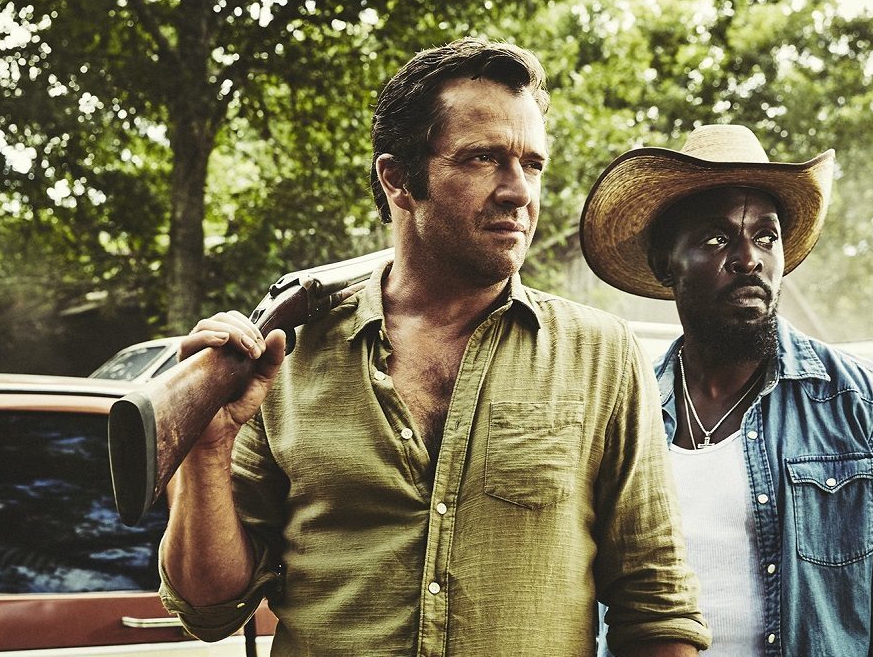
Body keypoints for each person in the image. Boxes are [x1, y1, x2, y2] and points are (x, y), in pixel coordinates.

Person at [156, 38, 711, 656]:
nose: (518, 192)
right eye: (483, 159)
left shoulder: (601, 354)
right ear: (397, 179)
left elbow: (657, 606)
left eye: (532, 165)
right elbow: (209, 608)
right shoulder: (286, 355)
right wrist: (206, 450)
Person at [582, 124, 873, 656]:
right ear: (665, 263)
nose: (749, 258)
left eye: (766, 237)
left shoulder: (865, 407)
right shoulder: (626, 409)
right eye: (716, 238)